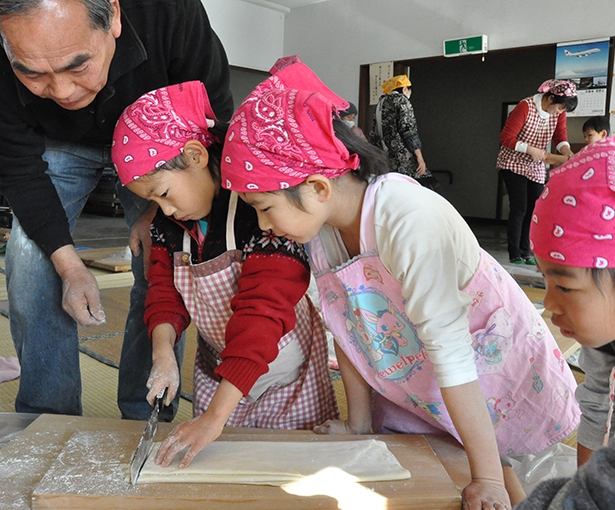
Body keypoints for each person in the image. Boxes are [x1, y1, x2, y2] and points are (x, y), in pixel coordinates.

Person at [220, 58, 580, 510]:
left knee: (502, 479)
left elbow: (451, 351)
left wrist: (485, 476)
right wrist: (359, 424)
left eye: (264, 207)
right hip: (415, 373)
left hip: (479, 367)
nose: (264, 225)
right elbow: (348, 331)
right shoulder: (322, 230)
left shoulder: (406, 218)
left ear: (316, 186)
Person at [0, 0, 233, 420]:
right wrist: (70, 267)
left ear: (114, 15)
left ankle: (147, 417)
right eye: (32, 73)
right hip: (58, 145)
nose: (64, 92)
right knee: (30, 260)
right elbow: (19, 172)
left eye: (78, 65)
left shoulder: (169, 11)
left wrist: (158, 213)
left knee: (161, 261)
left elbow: (213, 118)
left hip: (157, 145)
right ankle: (47, 419)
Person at [111, 81, 339, 468]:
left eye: (164, 193)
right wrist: (163, 351)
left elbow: (261, 318)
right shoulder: (171, 227)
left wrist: (215, 418)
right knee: (226, 467)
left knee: (290, 470)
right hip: (220, 371)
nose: (163, 211)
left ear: (197, 155)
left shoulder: (259, 212)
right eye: (152, 201)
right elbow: (163, 294)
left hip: (287, 374)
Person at [517, 135, 615, 509]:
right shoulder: (611, 333)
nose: (548, 304)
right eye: (545, 280)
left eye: (564, 286)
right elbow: (600, 402)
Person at [497, 79, 577, 266]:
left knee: (534, 209)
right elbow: (506, 138)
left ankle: (527, 251)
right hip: (513, 162)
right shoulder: (525, 106)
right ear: (550, 98)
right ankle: (514, 253)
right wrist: (530, 149)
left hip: (536, 164)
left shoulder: (558, 112)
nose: (560, 112)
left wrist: (566, 152)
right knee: (520, 208)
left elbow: (560, 136)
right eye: (560, 108)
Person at [368, 74, 442, 195]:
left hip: (385, 156)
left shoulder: (380, 104)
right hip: (403, 157)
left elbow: (373, 133)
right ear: (404, 89)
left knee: (394, 188)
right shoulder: (402, 100)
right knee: (428, 184)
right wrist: (419, 156)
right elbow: (408, 130)